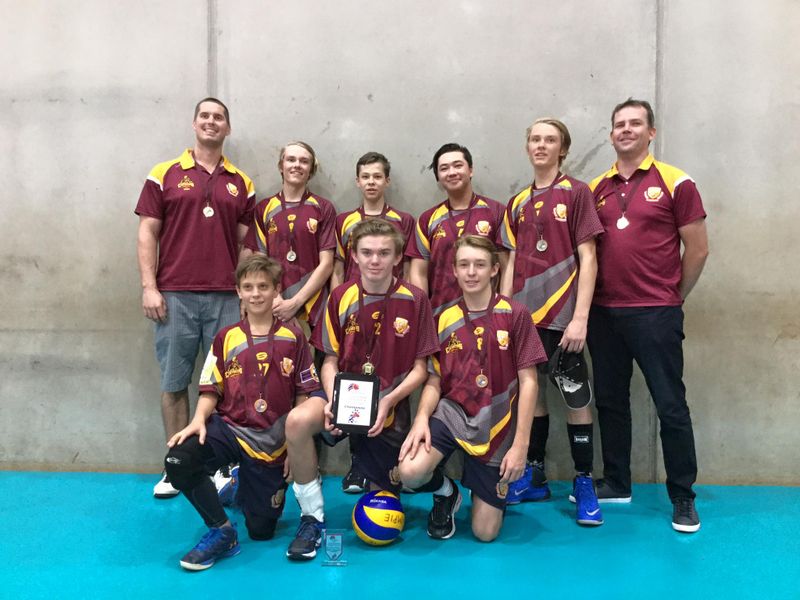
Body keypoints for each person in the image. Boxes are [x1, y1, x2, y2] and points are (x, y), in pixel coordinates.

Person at [284, 218, 438, 561]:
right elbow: (329, 360)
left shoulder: (415, 300)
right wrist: (333, 398)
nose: (375, 260)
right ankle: (312, 518)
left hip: (389, 405)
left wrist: (389, 400)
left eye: (384, 253)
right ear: (353, 255)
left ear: (398, 257)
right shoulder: (340, 296)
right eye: (367, 252)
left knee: (388, 498)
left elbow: (420, 370)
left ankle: (430, 488)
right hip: (342, 397)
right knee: (296, 422)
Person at [587, 99, 709, 533]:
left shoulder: (676, 182)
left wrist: (673, 297)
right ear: (611, 134)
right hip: (604, 313)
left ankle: (682, 496)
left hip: (655, 313)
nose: (626, 130)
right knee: (610, 401)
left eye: (635, 123)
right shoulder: (595, 187)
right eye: (619, 124)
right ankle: (618, 481)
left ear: (651, 132)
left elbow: (697, 248)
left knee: (670, 405)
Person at [163, 255, 320, 570]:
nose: (256, 294)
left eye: (264, 286)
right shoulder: (226, 337)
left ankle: (239, 483)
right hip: (231, 429)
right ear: (238, 291)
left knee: (261, 531)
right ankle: (221, 532)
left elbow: (306, 392)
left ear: (277, 289)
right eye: (248, 287)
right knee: (179, 459)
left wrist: (295, 444)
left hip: (271, 443)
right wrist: (197, 420)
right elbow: (211, 388)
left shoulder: (294, 337)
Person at [135, 97, 255, 498]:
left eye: (218, 117)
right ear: (193, 124)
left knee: (228, 387)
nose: (211, 122)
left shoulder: (241, 182)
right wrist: (150, 287)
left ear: (228, 128)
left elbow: (247, 245)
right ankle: (176, 467)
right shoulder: (163, 173)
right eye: (205, 116)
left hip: (224, 297)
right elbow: (147, 232)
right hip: (175, 296)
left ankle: (220, 466)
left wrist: (246, 293)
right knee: (174, 383)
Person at [399, 235, 546, 542]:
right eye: (464, 265)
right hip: (452, 414)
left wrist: (521, 446)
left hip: (497, 424)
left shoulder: (515, 314)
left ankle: (484, 489)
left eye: (479, 265)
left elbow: (529, 381)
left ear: (494, 269)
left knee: (485, 533)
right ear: (453, 270)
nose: (471, 272)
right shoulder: (443, 318)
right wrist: (422, 418)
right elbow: (434, 379)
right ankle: (446, 492)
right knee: (410, 472)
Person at [499, 118, 605, 526]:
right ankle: (536, 475)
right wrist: (504, 311)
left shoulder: (577, 193)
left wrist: (580, 318)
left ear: (563, 149)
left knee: (576, 400)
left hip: (564, 322)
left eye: (550, 140)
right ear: (527, 147)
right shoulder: (517, 203)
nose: (541, 145)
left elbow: (589, 257)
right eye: (535, 139)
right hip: (524, 320)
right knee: (535, 395)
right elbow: (508, 262)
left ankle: (583, 482)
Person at [331, 152, 416, 494]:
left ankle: (393, 463)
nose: (370, 182)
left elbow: (409, 269)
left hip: (393, 310)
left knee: (393, 376)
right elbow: (337, 269)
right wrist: (338, 299)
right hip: (356, 310)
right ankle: (358, 465)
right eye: (364, 176)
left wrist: (409, 304)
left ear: (387, 181)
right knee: (355, 376)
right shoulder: (344, 221)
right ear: (357, 181)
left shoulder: (403, 220)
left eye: (377, 176)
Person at [244, 141, 335, 332]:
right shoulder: (263, 208)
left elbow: (327, 264)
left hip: (313, 304)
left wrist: (295, 303)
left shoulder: (324, 208)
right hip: (273, 303)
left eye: (304, 161)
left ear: (311, 169)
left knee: (311, 362)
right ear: (281, 165)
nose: (297, 165)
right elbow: (259, 260)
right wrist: (278, 303)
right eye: (291, 159)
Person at [408, 143, 506, 317]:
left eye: (458, 165)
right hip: (440, 318)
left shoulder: (496, 212)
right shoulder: (427, 219)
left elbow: (507, 268)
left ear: (471, 170)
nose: (452, 172)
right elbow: (418, 272)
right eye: (444, 168)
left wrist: (505, 312)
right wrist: (423, 317)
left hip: (488, 317)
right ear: (438, 177)